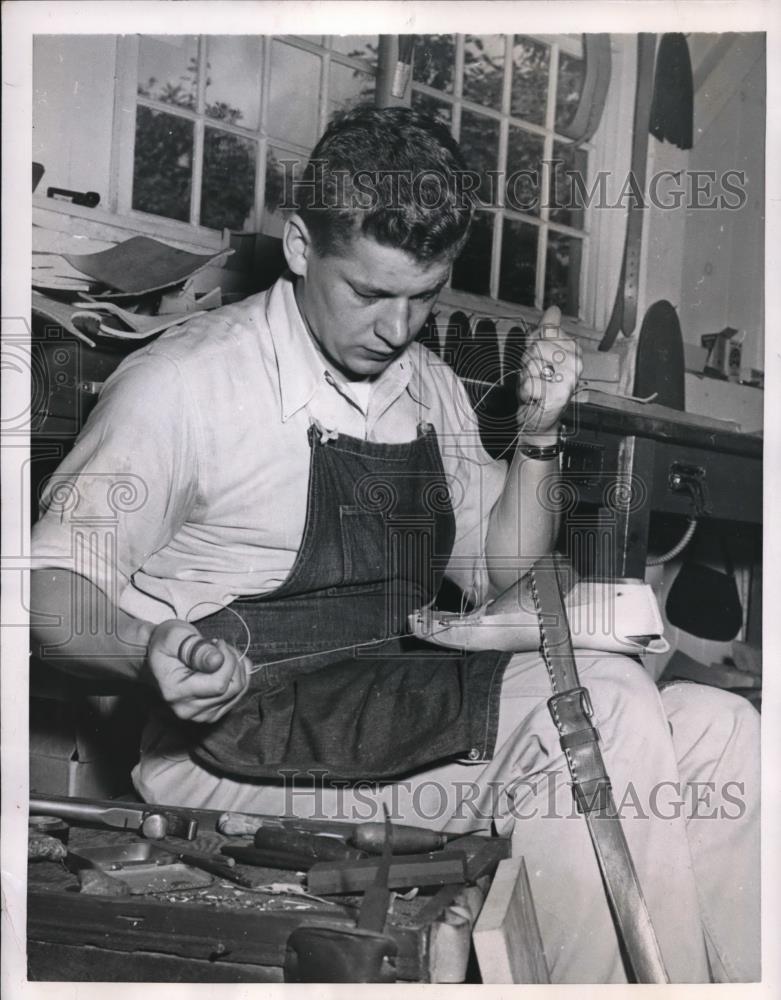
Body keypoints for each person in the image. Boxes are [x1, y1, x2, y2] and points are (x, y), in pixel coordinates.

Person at [30, 106, 759, 984]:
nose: (395, 328)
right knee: (597, 707)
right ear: (299, 246)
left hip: (390, 709)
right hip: (234, 742)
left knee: (721, 726)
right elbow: (50, 590)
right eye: (369, 294)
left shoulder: (427, 385)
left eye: (424, 298)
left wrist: (535, 436)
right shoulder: (183, 385)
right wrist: (146, 649)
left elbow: (498, 572)